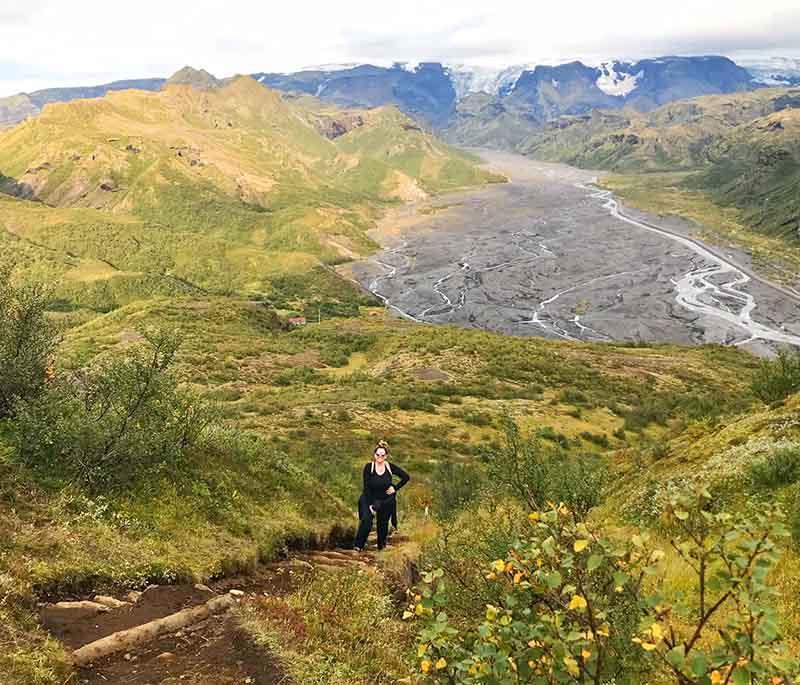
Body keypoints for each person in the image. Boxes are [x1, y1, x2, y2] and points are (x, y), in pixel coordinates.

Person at [353, 440, 410, 552]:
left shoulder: (389, 467)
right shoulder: (369, 467)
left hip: (384, 500)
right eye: (377, 454)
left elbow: (406, 477)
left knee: (382, 524)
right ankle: (358, 546)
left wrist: (395, 488)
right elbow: (366, 487)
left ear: (386, 456)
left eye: (382, 455)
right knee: (367, 520)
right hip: (368, 498)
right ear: (374, 455)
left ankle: (381, 548)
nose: (379, 457)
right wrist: (370, 505)